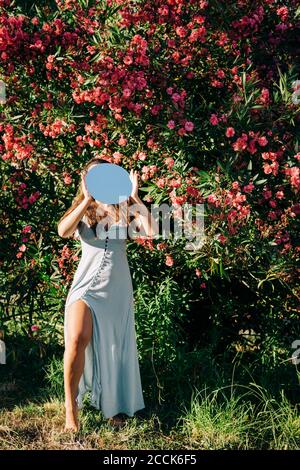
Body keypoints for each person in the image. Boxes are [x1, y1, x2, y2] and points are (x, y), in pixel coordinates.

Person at [57, 157, 159, 432]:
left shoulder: (124, 209)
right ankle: (71, 406)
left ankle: (112, 406)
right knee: (77, 338)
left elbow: (152, 230)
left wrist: (135, 196)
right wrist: (85, 200)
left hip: (117, 289)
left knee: (114, 348)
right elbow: (62, 231)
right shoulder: (84, 211)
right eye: (92, 176)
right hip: (86, 285)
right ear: (85, 181)